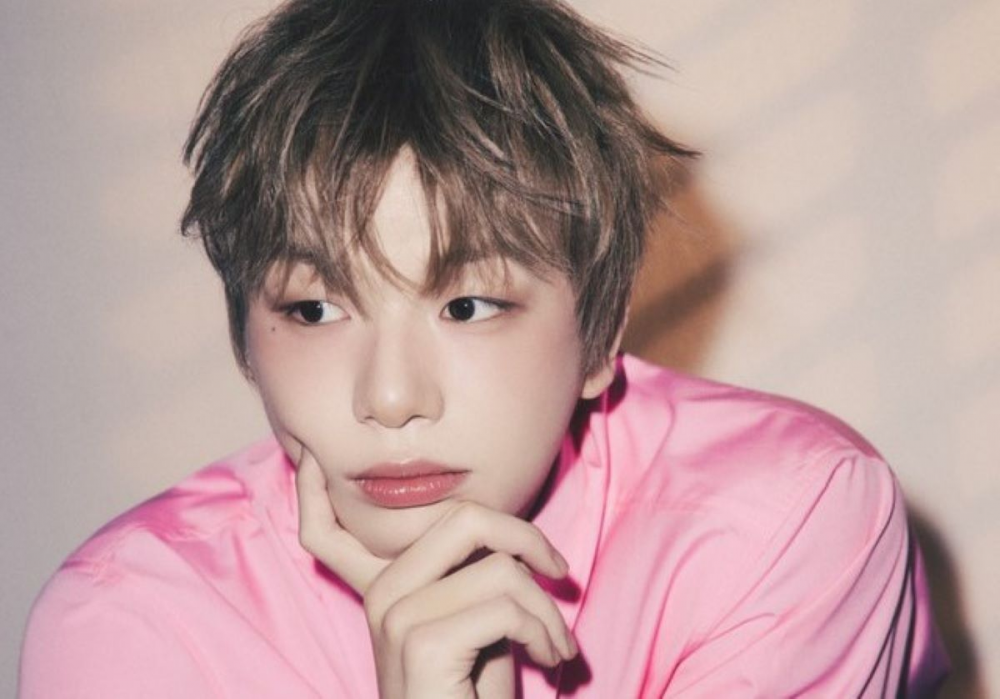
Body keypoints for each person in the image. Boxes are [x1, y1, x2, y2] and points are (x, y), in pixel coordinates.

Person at [20, 0, 950, 696]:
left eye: (467, 305)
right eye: (314, 309)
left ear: (600, 332)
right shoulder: (133, 623)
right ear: (245, 341)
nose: (391, 398)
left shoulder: (782, 523)